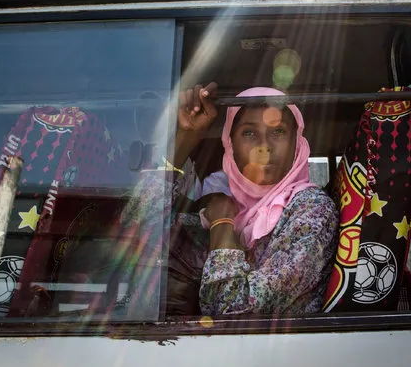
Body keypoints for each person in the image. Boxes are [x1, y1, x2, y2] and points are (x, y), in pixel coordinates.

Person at [120, 83, 339, 316]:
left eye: (278, 131)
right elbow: (135, 226)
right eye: (249, 133)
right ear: (230, 144)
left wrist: (223, 224)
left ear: (297, 142)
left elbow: (230, 308)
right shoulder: (231, 206)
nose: (263, 147)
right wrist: (187, 137)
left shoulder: (311, 210)